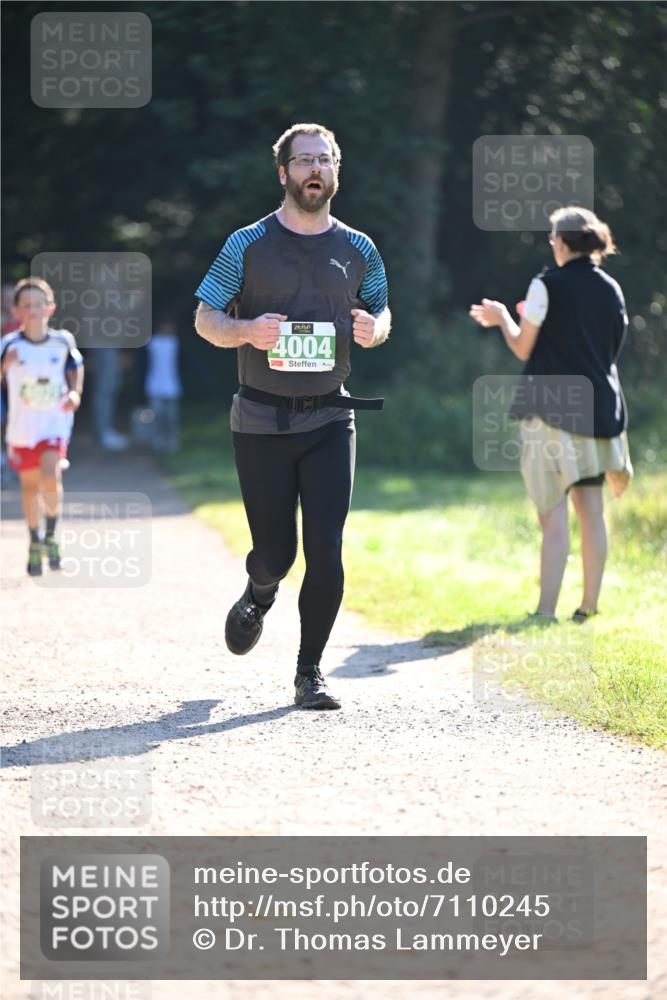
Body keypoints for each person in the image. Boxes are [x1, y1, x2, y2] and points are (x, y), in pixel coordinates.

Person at [194, 123, 390, 709]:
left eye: (324, 160)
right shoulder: (248, 243)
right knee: (275, 555)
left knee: (325, 549)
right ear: (283, 173)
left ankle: (310, 672)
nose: (315, 169)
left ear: (336, 172)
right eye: (304, 160)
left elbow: (382, 314)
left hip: (331, 419)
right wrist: (246, 330)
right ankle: (259, 593)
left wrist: (373, 329)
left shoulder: (359, 248)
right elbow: (205, 318)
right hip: (261, 420)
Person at [470, 206, 632, 622]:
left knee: (552, 512)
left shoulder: (547, 284)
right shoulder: (612, 288)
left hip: (551, 411)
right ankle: (589, 607)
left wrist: (503, 319)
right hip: (599, 408)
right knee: (591, 511)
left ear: (559, 241)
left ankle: (545, 611)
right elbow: (608, 349)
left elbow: (523, 347)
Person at [0, 277, 84, 576]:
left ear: (50, 308)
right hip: (23, 428)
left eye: (38, 304)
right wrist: (5, 367)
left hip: (54, 424)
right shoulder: (9, 344)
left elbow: (76, 368)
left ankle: (51, 534)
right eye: (26, 305)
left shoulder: (62, 341)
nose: (33, 310)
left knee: (50, 475)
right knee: (30, 488)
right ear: (16, 311)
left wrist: (75, 393)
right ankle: (34, 539)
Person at [145, 316, 182, 452]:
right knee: (156, 417)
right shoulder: (153, 342)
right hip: (155, 386)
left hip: (172, 387)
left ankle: (172, 442)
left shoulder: (175, 342)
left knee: (172, 418)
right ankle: (156, 442)